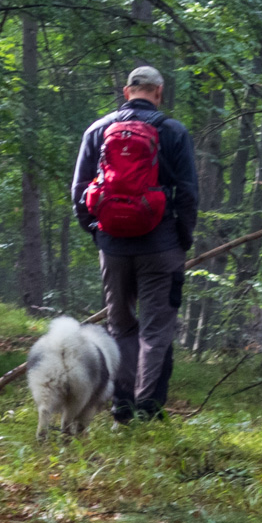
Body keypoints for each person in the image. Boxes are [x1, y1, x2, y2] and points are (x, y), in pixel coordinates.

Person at [70, 65, 199, 422]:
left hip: (113, 246)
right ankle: (148, 409)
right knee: (157, 329)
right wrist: (182, 239)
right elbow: (188, 193)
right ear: (158, 92)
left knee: (121, 326)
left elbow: (79, 190)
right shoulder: (173, 131)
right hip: (161, 246)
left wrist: (96, 231)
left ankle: (122, 406)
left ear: (128, 92)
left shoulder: (97, 130)